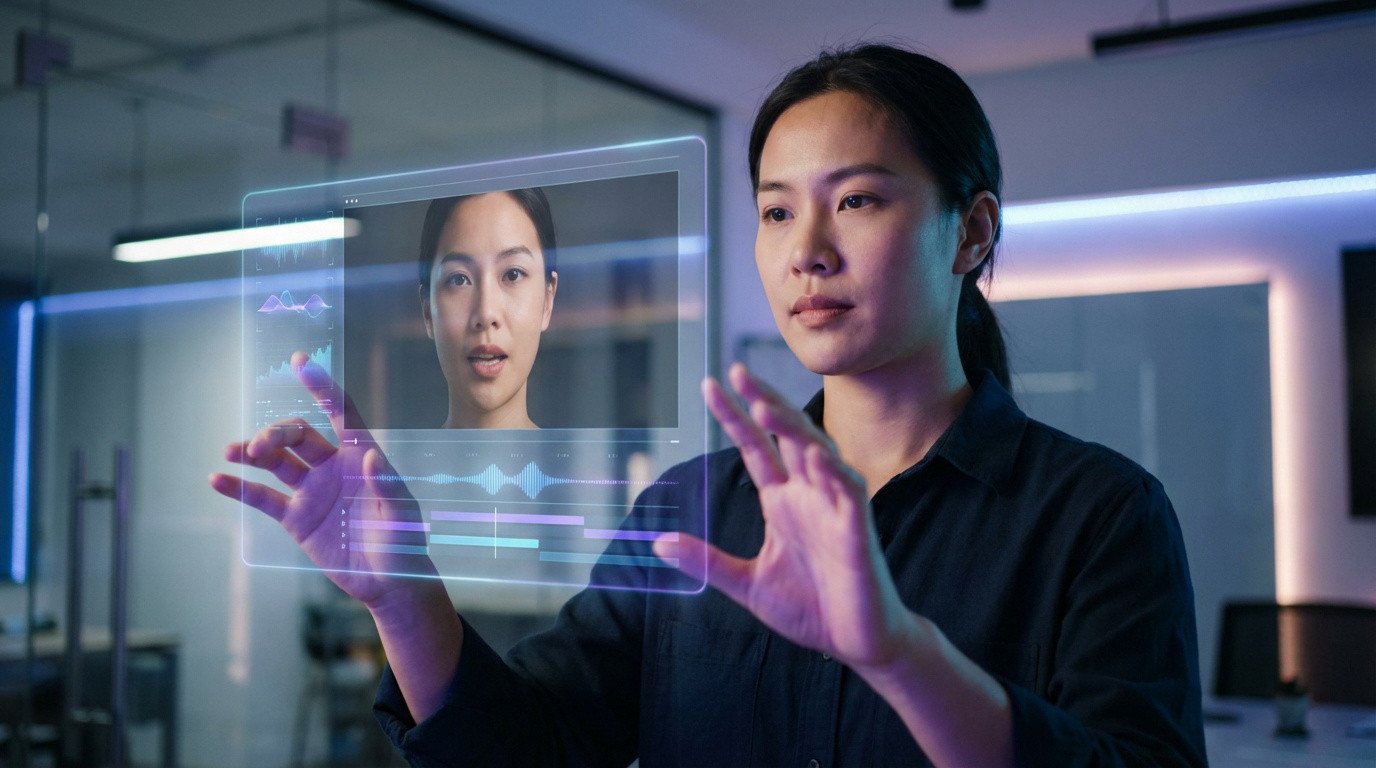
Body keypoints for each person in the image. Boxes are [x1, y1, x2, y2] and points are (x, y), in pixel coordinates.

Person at [211, 44, 1205, 767]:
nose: (804, 247)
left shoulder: (1098, 517)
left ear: (969, 231)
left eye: (856, 199)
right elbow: (532, 752)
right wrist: (405, 597)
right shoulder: (689, 516)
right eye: (776, 209)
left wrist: (898, 655)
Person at [417, 188, 558, 428]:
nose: (486, 313)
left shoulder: (585, 467)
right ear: (428, 310)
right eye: (459, 279)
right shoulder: (389, 466)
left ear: (547, 300)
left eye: (512, 274)